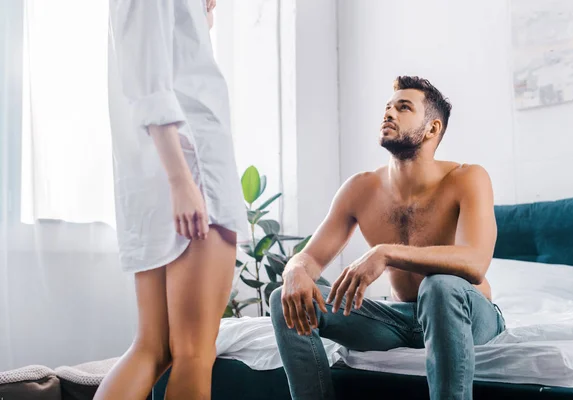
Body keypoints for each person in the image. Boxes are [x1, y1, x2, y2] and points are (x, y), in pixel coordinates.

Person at [270, 76, 505, 400]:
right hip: (397, 320)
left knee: (438, 286)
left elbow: (475, 262)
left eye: (404, 107)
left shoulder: (467, 178)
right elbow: (309, 258)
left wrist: (386, 252)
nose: (389, 114)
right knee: (284, 299)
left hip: (465, 314)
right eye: (388, 107)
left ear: (432, 129)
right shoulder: (360, 188)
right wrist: (294, 270)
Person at [95, 0, 247, 399]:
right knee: (194, 352)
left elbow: (175, 58)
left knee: (154, 348)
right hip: (192, 167)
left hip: (167, 171)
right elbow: (151, 84)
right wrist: (182, 180)